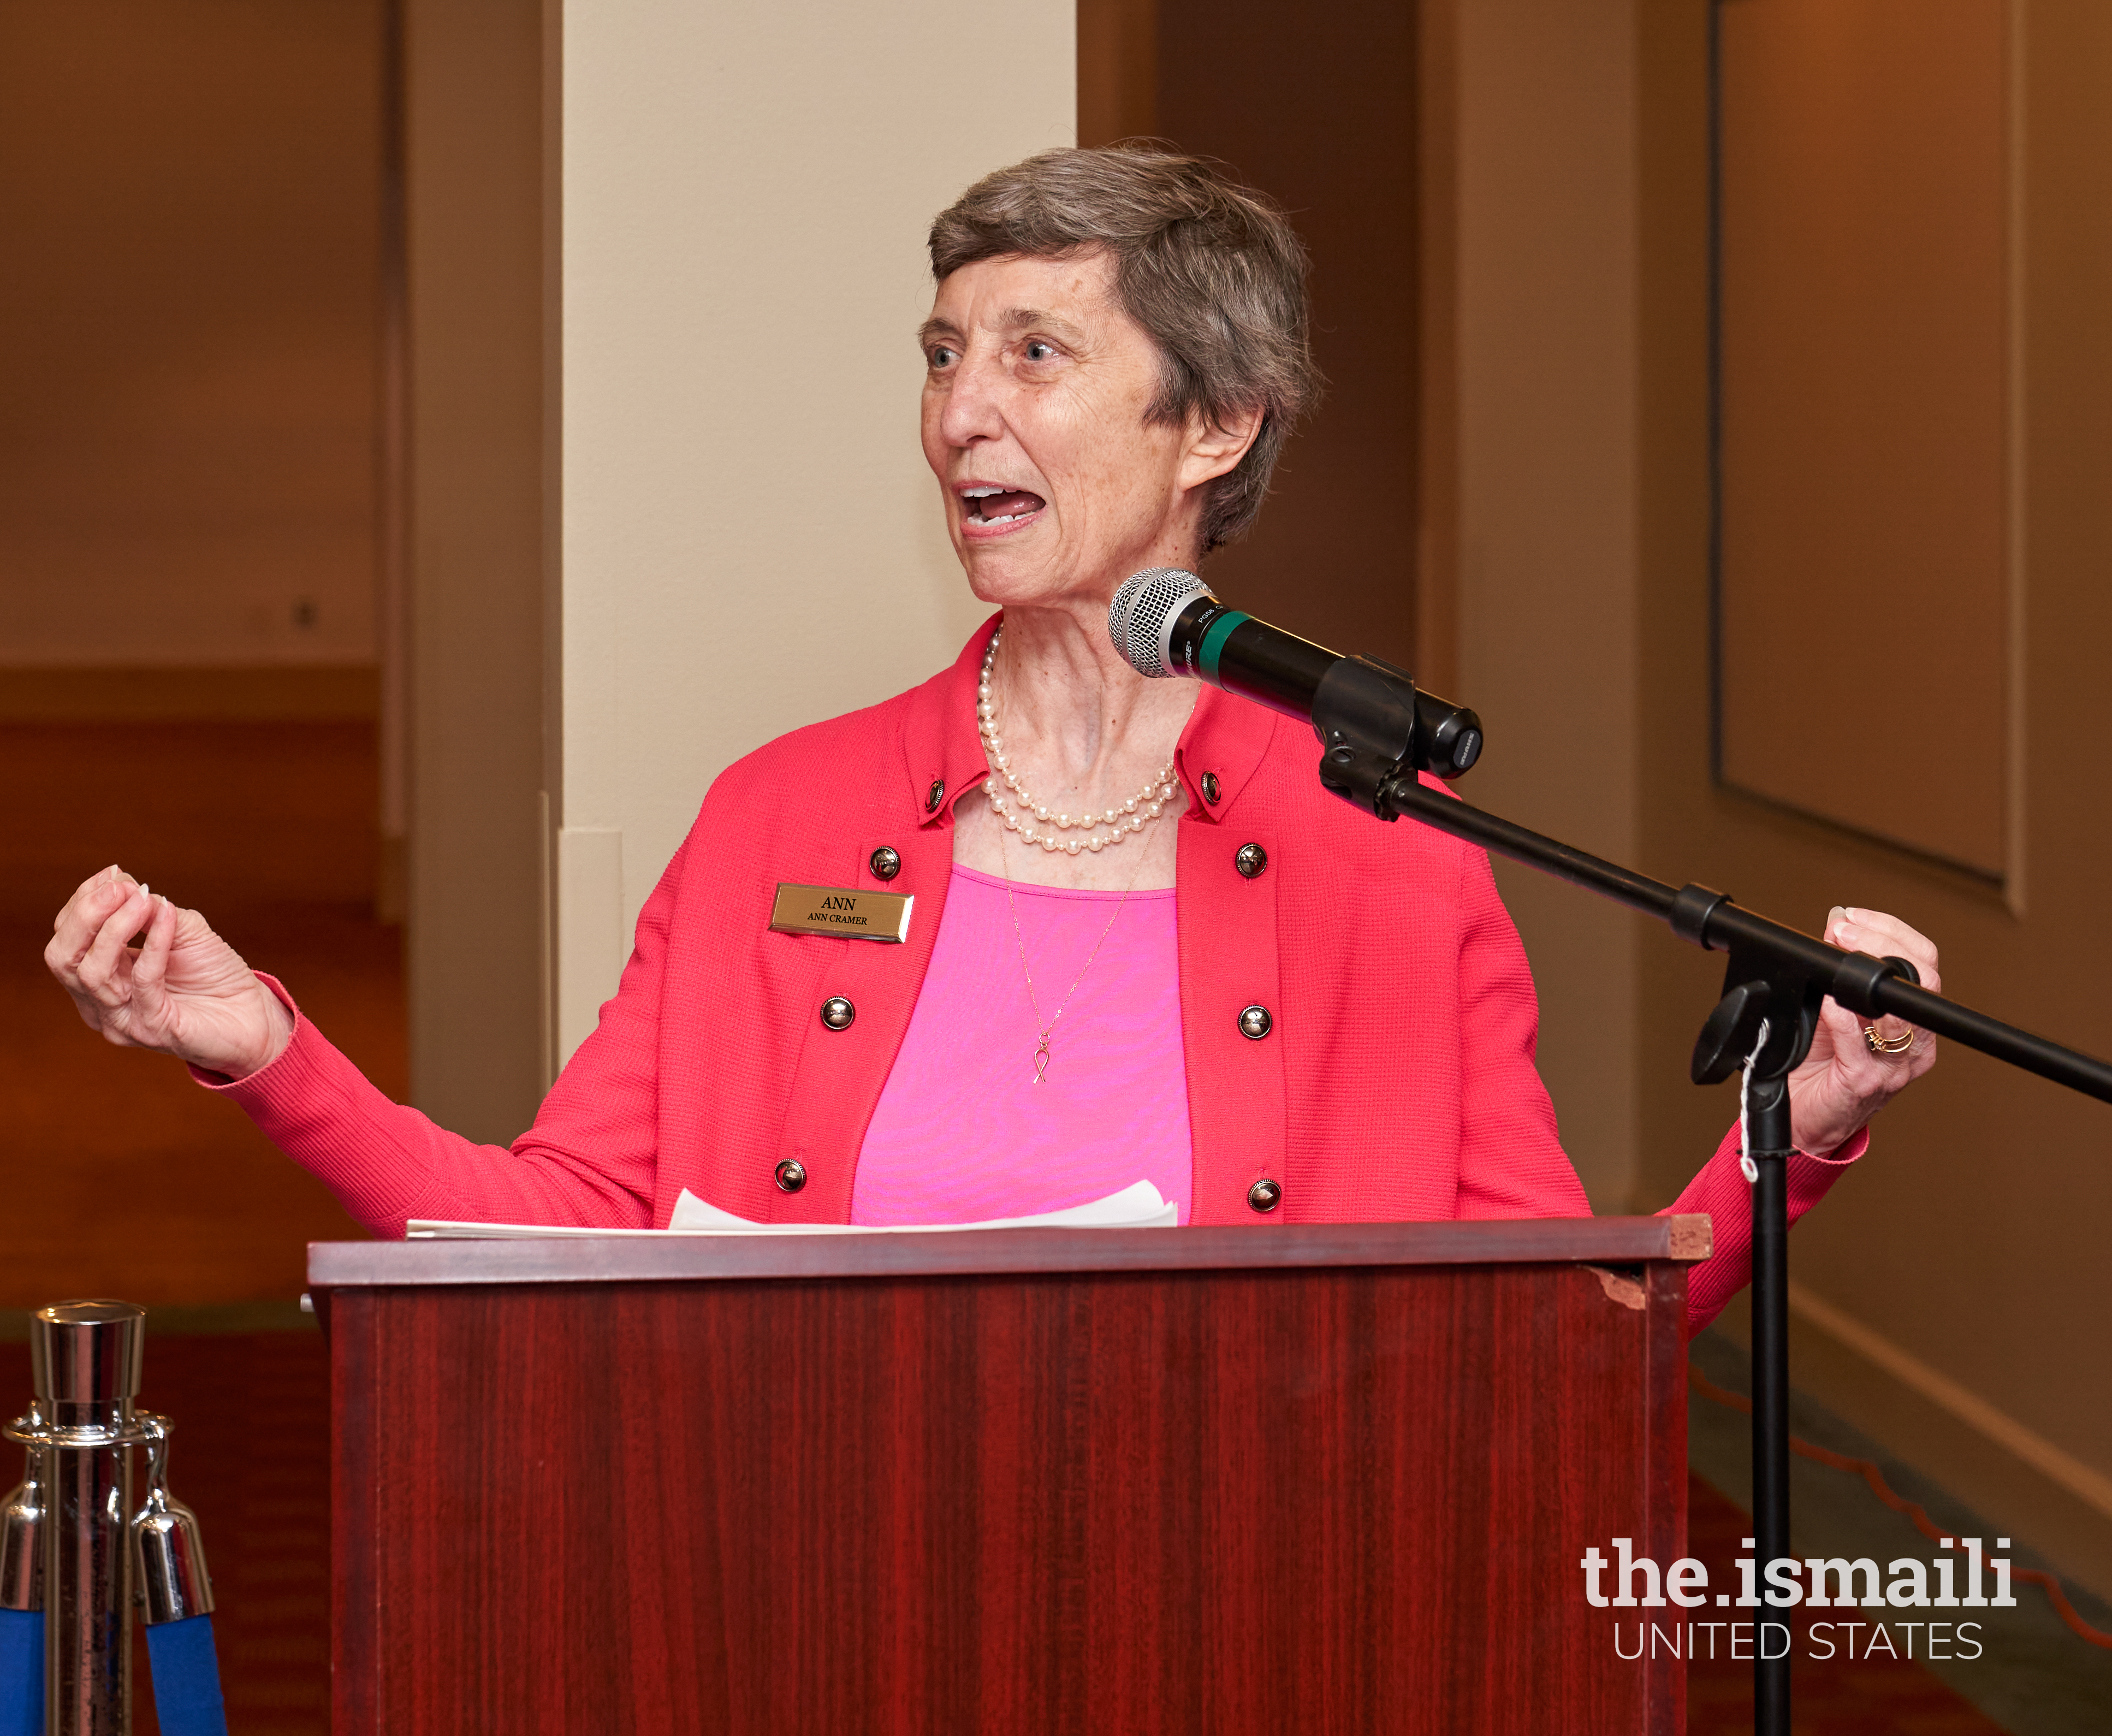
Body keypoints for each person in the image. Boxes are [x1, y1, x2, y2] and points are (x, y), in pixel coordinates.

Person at [43, 147, 1939, 1330]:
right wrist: (268, 1048)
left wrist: (1802, 1123)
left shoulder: (1387, 834)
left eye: (1034, 351)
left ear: (1217, 425)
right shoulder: (779, 808)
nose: (960, 408)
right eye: (941, 352)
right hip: (817, 1579)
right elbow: (567, 1228)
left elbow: (1563, 1330)